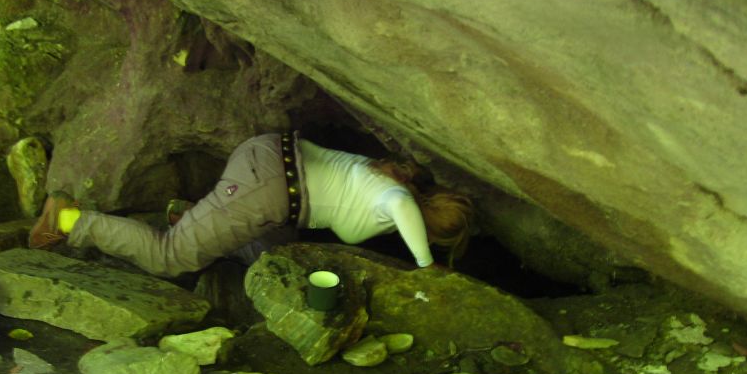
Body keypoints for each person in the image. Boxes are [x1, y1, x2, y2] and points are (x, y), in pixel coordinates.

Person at [28, 131, 473, 277]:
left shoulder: (391, 176)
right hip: (270, 184)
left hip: (270, 168)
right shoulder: (393, 197)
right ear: (431, 227)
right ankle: (68, 220)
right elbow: (400, 206)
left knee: (275, 256)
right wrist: (425, 266)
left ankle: (190, 215)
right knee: (171, 257)